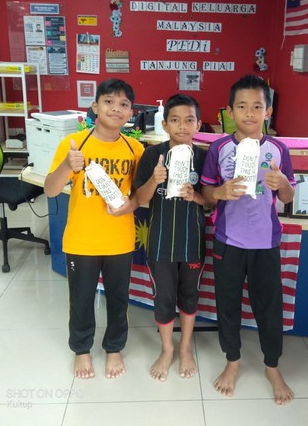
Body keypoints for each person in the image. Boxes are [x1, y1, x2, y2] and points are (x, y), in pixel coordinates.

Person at [200, 74, 296, 404]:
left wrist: (283, 183)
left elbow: (288, 197)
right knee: (227, 304)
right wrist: (219, 192)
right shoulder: (219, 148)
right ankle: (232, 361)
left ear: (268, 111)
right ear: (230, 111)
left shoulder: (279, 149)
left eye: (257, 106)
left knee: (268, 307)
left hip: (265, 242)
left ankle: (272, 366)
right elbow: (206, 194)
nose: (250, 113)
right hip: (228, 241)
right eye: (242, 106)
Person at [44, 78, 144, 380]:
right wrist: (67, 165)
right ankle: (82, 350)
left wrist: (128, 206)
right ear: (95, 106)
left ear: (131, 113)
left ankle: (114, 347)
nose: (116, 108)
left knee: (118, 298)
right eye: (109, 101)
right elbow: (50, 190)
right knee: (82, 298)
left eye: (123, 104)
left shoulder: (135, 148)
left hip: (119, 239)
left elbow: (140, 196)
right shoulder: (74, 144)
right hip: (82, 240)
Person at [134, 94, 209, 382]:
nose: (182, 126)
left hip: (193, 241)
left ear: (198, 124)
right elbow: (140, 199)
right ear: (164, 124)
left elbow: (212, 201)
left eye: (189, 120)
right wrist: (154, 180)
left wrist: (196, 196)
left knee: (189, 297)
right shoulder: (152, 155)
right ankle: (167, 349)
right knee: (163, 298)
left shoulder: (203, 158)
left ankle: (185, 348)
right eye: (175, 120)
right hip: (160, 242)